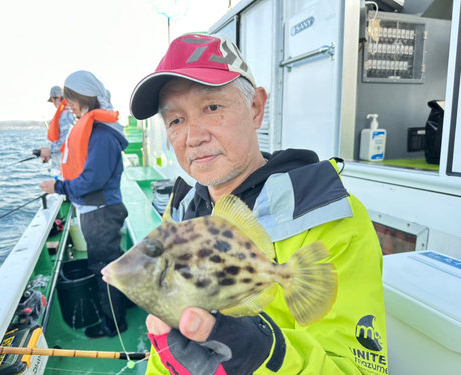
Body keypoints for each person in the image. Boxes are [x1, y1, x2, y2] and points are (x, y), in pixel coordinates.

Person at [129, 34, 388, 374]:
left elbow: (357, 369)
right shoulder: (181, 212)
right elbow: (164, 349)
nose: (194, 136)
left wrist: (264, 354)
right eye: (176, 120)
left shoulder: (328, 215)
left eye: (212, 107)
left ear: (255, 108)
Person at [39, 71, 132, 338]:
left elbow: (92, 180)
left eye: (71, 99)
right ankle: (122, 306)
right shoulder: (97, 130)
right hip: (97, 211)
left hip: (101, 214)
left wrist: (58, 186)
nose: (68, 105)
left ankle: (114, 324)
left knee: (104, 269)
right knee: (109, 264)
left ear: (84, 99)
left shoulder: (101, 135)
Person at [40, 86, 75, 170]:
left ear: (58, 98)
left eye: (53, 102)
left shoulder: (66, 114)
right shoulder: (69, 112)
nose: (54, 105)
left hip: (68, 167)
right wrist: (49, 153)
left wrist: (50, 149)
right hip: (64, 165)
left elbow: (67, 139)